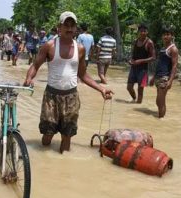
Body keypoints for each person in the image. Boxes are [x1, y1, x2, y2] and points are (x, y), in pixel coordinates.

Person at [23, 11, 114, 154]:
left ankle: (63, 163)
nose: (69, 28)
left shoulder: (80, 49)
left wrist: (101, 89)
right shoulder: (49, 46)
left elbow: (83, 75)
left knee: (67, 135)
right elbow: (35, 65)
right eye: (66, 25)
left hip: (71, 97)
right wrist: (29, 79)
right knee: (47, 134)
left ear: (76, 29)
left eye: (72, 25)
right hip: (51, 96)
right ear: (59, 27)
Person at [149, 26, 178, 118]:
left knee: (160, 101)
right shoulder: (163, 48)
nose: (165, 36)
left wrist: (170, 81)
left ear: (172, 36)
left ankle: (160, 120)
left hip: (164, 78)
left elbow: (174, 66)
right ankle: (161, 118)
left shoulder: (173, 49)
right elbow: (159, 64)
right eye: (164, 35)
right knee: (158, 102)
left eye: (168, 34)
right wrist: (153, 77)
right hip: (158, 76)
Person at [127, 24, 156, 103]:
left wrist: (140, 61)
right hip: (133, 68)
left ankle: (138, 103)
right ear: (138, 32)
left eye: (144, 31)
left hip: (143, 70)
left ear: (147, 32)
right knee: (129, 87)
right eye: (141, 31)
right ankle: (133, 99)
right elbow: (133, 55)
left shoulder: (149, 42)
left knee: (140, 89)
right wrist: (131, 60)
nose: (143, 33)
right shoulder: (135, 41)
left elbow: (153, 57)